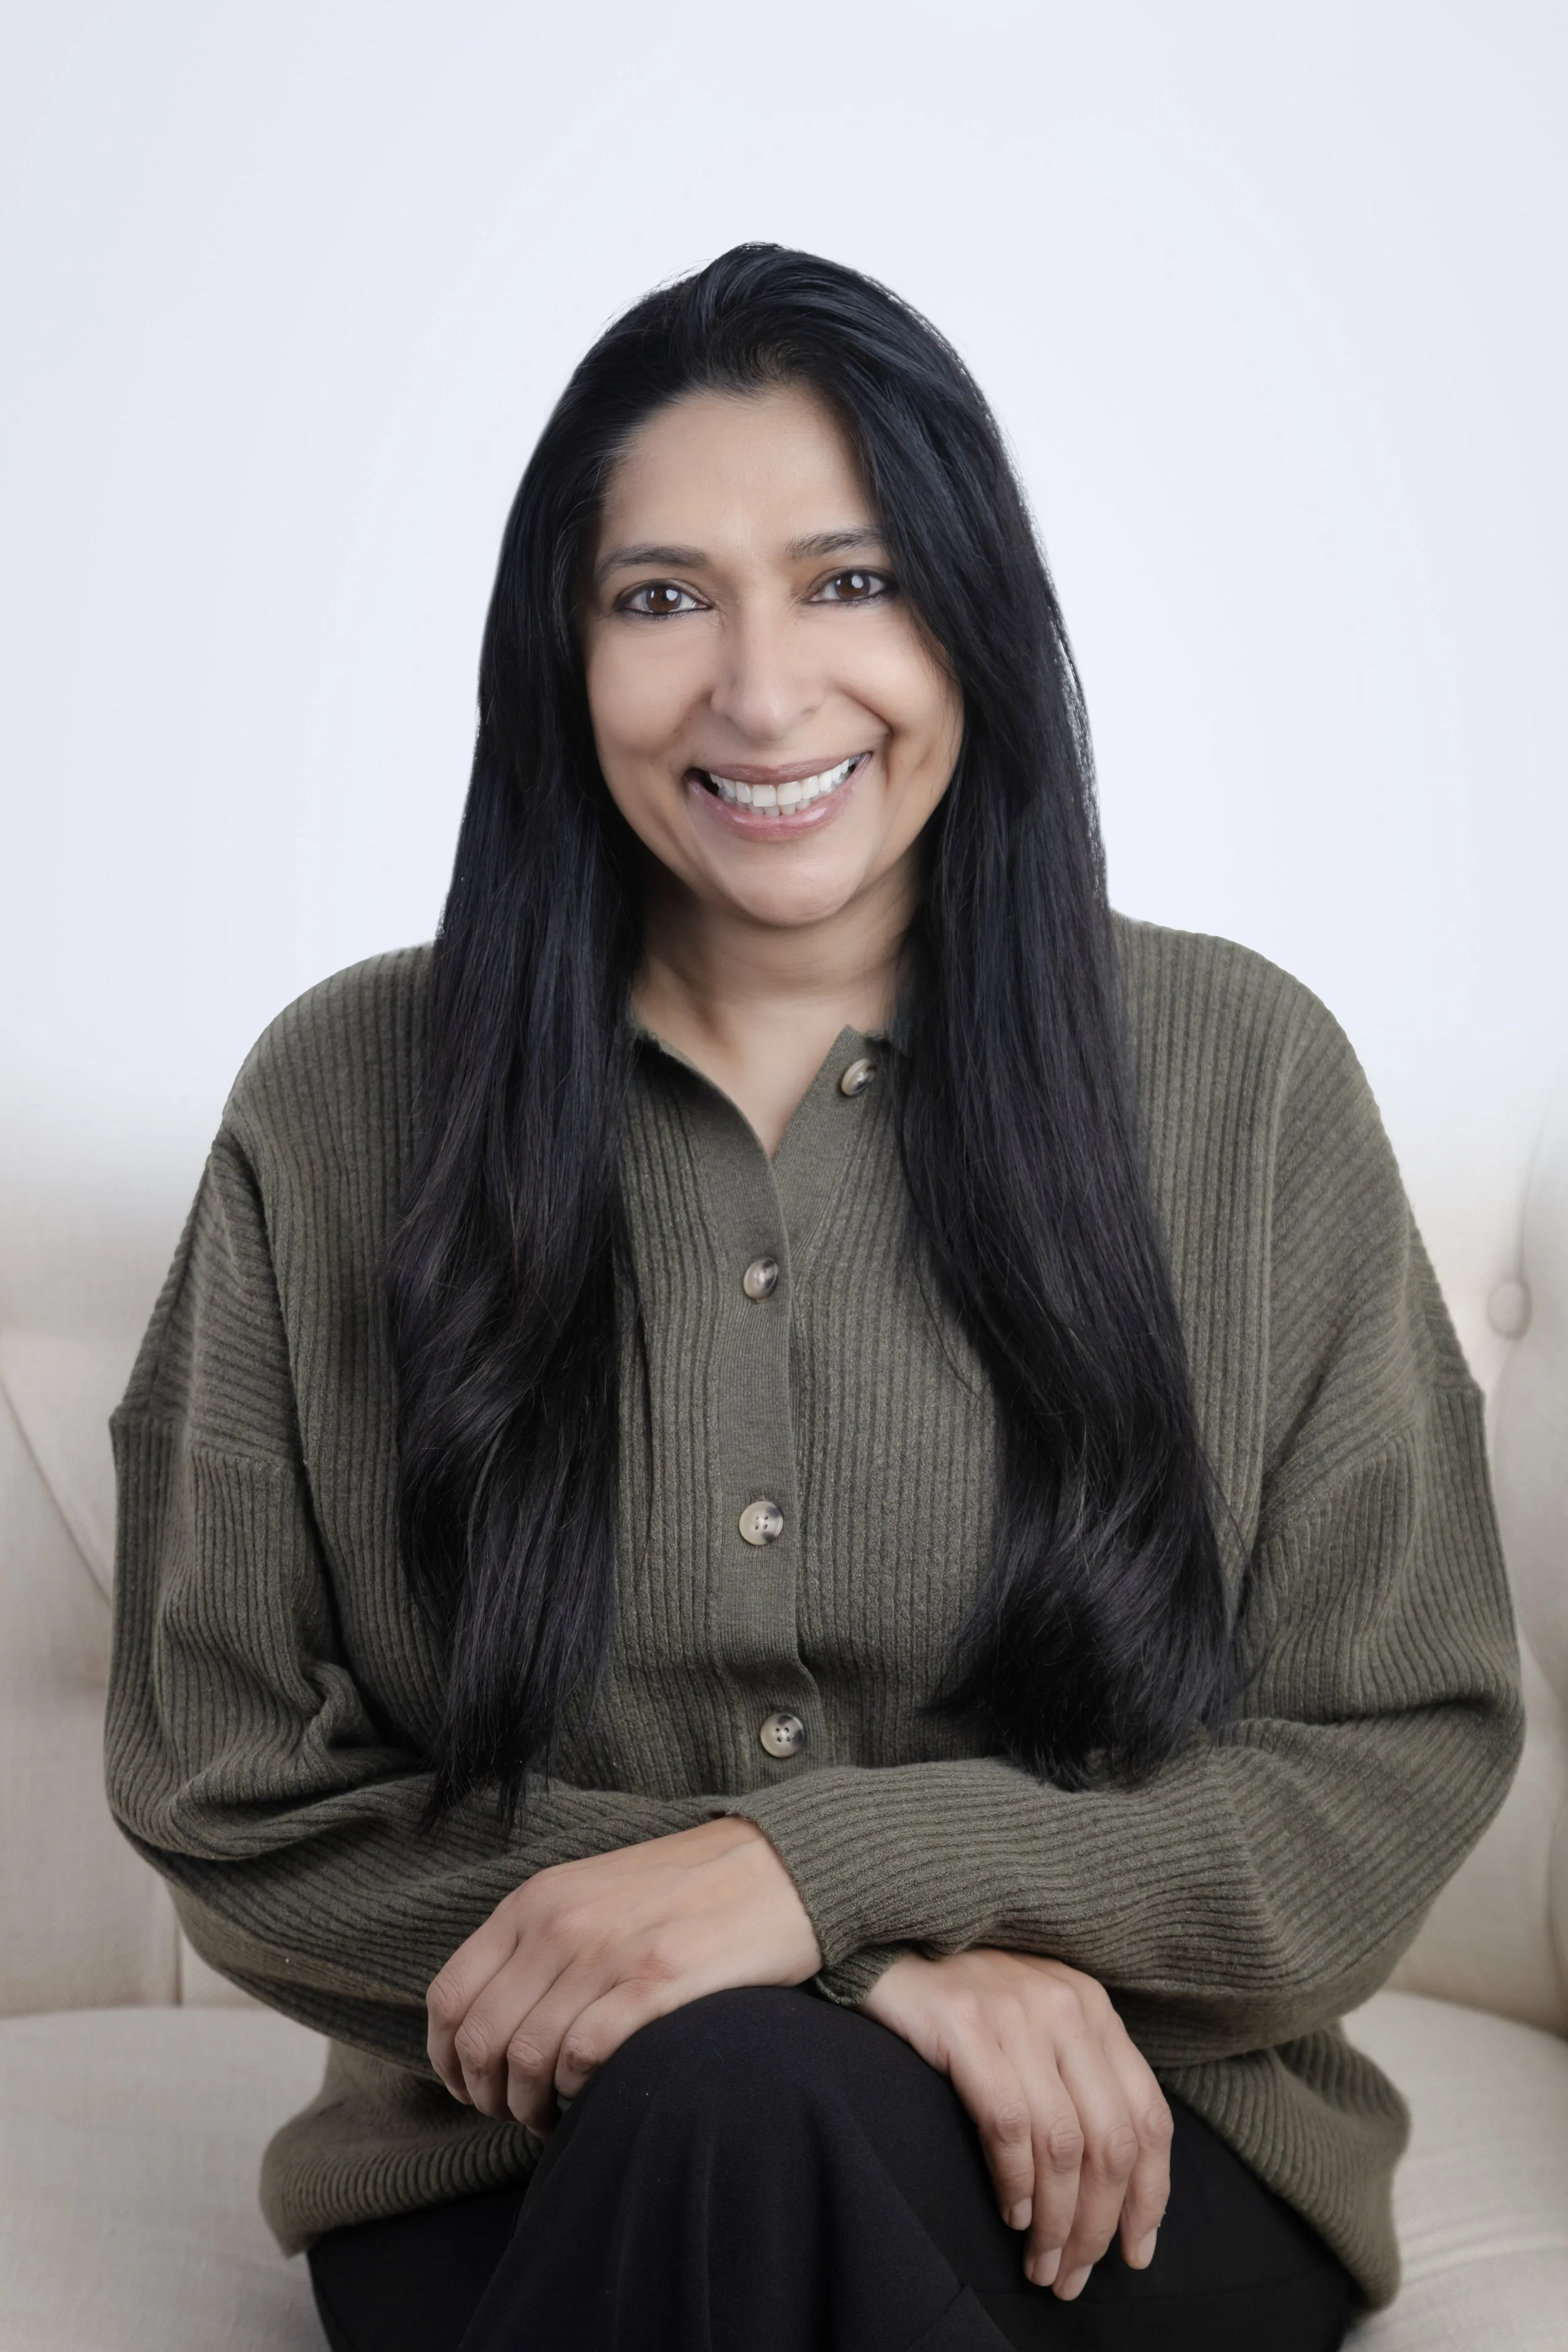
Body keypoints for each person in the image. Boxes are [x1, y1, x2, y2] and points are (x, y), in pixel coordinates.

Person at [105, 245, 1522, 2352]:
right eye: (661, 596)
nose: (762, 692)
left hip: (1125, 2145)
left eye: (849, 581)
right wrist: (857, 1955)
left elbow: (1389, 1744)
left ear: (976, 624)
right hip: (526, 2156)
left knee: (744, 2111)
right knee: (731, 2101)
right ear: (558, 657)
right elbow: (225, 1772)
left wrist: (827, 1870)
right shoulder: (343, 1101)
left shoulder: (1240, 1081)